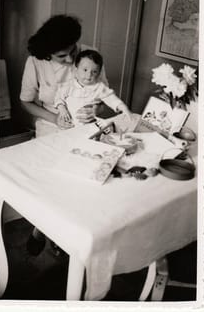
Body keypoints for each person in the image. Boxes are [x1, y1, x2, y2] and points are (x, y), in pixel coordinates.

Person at [20, 15, 108, 256]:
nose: (70, 59)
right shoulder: (35, 62)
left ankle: (63, 238)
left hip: (84, 127)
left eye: (73, 51)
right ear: (47, 52)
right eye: (62, 56)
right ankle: (41, 229)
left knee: (78, 185)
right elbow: (26, 101)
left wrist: (95, 109)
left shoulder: (90, 54)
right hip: (50, 126)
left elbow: (103, 95)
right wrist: (55, 119)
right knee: (51, 185)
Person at [54, 49, 133, 127]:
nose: (89, 75)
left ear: (99, 73)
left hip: (89, 124)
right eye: (85, 70)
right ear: (76, 70)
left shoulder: (99, 87)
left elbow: (112, 99)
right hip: (70, 124)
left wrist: (123, 107)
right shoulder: (68, 86)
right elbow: (58, 99)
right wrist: (62, 110)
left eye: (94, 72)